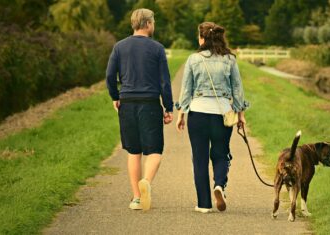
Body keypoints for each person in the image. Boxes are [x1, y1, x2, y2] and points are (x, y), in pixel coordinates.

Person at [175, 22, 249, 213]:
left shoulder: (193, 59)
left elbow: (186, 90)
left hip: (198, 113)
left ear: (202, 38)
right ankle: (219, 185)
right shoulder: (230, 60)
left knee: (199, 159)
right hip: (223, 113)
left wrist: (181, 114)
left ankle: (203, 204)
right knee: (221, 153)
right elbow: (238, 90)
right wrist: (240, 114)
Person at [106, 8, 173, 211]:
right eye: (153, 22)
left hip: (127, 102)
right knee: (154, 151)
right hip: (149, 103)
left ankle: (136, 198)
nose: (154, 26)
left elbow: (110, 76)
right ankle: (146, 182)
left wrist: (115, 97)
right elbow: (164, 82)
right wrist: (168, 107)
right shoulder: (157, 48)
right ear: (147, 24)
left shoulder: (119, 47)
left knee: (134, 151)